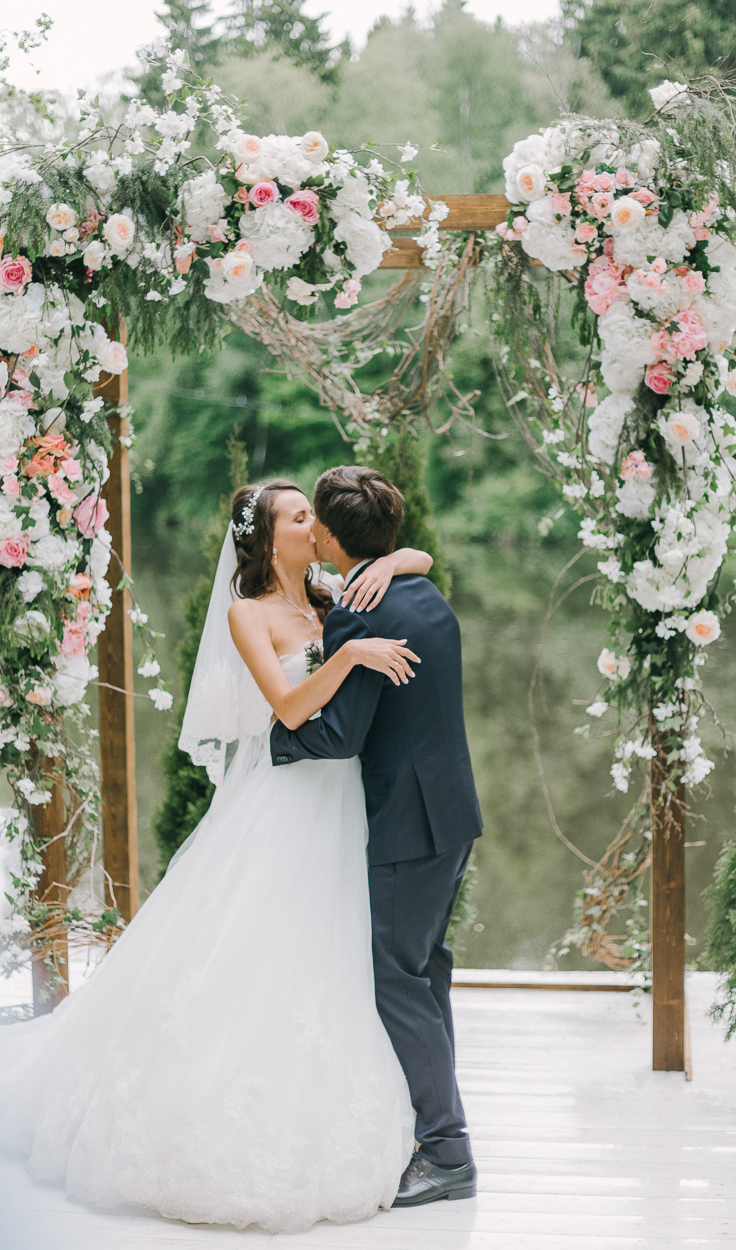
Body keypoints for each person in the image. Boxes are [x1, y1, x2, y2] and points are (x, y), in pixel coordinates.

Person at [0, 477, 438, 1233]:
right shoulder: (247, 613)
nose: (315, 523)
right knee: (253, 943)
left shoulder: (327, 590)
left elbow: (419, 556)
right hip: (283, 800)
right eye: (300, 515)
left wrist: (399, 560)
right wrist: (352, 657)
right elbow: (286, 706)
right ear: (270, 536)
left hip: (338, 799)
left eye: (312, 514)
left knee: (325, 947)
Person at [270, 465, 483, 1207]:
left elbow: (337, 737)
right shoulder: (420, 590)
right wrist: (396, 560)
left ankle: (447, 1151)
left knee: (396, 977)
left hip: (405, 821)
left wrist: (271, 741)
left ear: (328, 536)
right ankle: (431, 1125)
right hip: (450, 813)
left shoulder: (360, 616)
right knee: (424, 970)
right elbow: (412, 561)